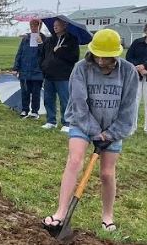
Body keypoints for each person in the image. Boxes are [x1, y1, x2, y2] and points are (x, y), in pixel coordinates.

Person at [42, 29, 138, 233]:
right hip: (82, 122)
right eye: (98, 56)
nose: (101, 61)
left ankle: (107, 216)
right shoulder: (81, 68)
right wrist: (95, 132)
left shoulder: (128, 72)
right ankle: (60, 212)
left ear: (115, 54)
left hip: (113, 127)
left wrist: (110, 134)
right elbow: (78, 103)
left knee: (106, 173)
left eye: (106, 57)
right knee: (75, 161)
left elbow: (128, 109)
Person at [40, 18, 80, 132]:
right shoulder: (49, 40)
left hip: (63, 76)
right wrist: (43, 66)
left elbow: (74, 57)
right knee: (48, 99)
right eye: (54, 25)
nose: (55, 26)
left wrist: (60, 51)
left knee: (65, 100)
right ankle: (51, 121)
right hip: (49, 75)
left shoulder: (71, 40)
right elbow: (43, 55)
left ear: (64, 26)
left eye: (58, 25)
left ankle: (67, 123)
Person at [12, 19, 46, 119]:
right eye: (32, 25)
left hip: (37, 71)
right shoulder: (26, 39)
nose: (33, 27)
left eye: (36, 25)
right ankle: (25, 109)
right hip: (25, 70)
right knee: (25, 91)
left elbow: (45, 54)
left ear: (40, 26)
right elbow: (20, 54)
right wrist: (16, 68)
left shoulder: (44, 39)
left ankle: (35, 111)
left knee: (36, 92)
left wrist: (40, 44)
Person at [126, 23, 147, 134]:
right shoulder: (137, 43)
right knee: (134, 102)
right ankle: (131, 127)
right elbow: (129, 57)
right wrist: (138, 68)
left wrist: (145, 67)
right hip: (136, 75)